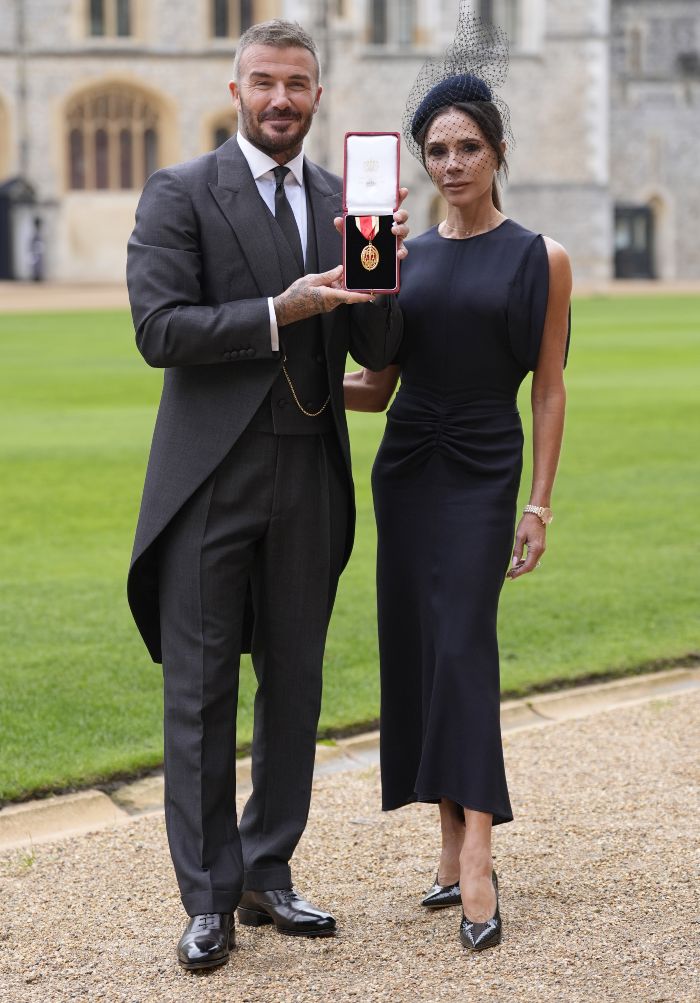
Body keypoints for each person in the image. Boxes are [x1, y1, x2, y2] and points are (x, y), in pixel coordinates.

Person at [126, 18, 408, 971]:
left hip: (309, 471)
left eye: (297, 84)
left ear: (318, 97)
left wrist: (384, 269)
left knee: (294, 683)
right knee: (199, 691)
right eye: (264, 83)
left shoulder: (342, 197)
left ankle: (265, 869)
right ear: (235, 87)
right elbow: (160, 328)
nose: (280, 99)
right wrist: (278, 311)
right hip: (210, 476)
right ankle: (206, 897)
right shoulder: (180, 192)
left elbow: (376, 350)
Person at [344, 68, 571, 952]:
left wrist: (539, 505)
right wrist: (294, 370)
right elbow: (378, 386)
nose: (450, 163)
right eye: (435, 150)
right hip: (406, 466)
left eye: (467, 146)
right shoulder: (402, 257)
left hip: (485, 467)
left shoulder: (539, 257)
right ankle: (446, 843)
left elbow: (548, 391)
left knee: (466, 643)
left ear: (498, 151)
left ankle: (478, 853)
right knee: (421, 649)